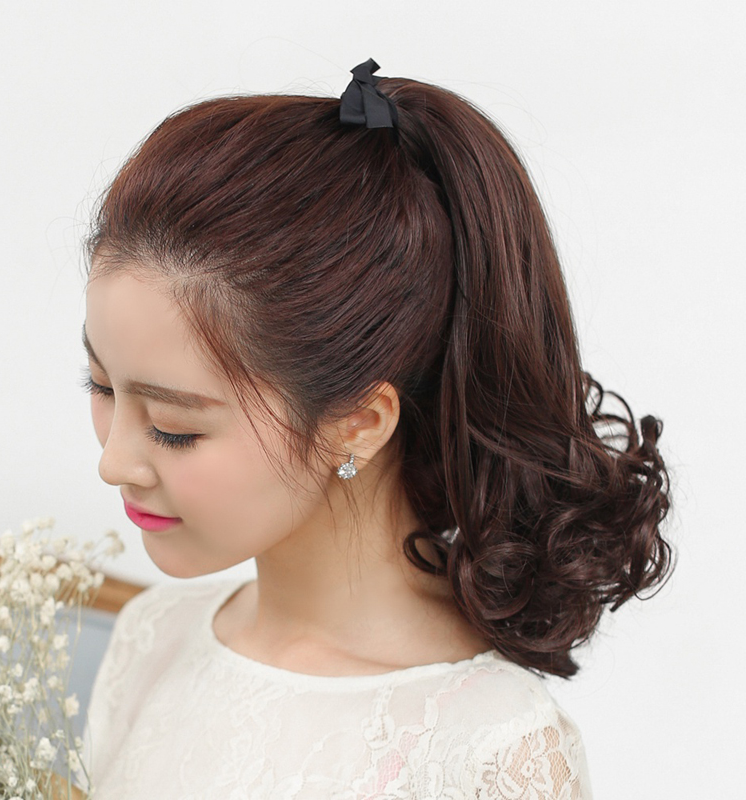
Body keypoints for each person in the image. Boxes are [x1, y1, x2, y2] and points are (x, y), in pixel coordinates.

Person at [74, 58, 674, 799]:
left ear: (358, 423)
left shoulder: (489, 752)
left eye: (173, 428)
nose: (113, 462)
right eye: (101, 387)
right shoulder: (152, 639)